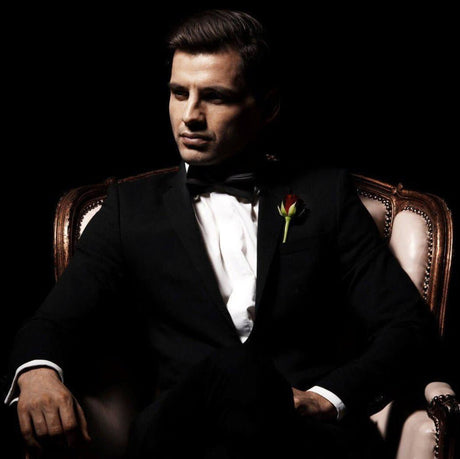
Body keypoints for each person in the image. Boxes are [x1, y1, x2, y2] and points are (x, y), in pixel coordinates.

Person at [4, 9, 441, 459]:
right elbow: (55, 319)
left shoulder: (325, 196)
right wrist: (37, 373)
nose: (190, 115)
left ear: (268, 106)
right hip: (179, 435)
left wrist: (327, 398)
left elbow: (407, 328)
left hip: (304, 440)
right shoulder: (128, 209)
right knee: (236, 368)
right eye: (179, 93)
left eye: (214, 96)